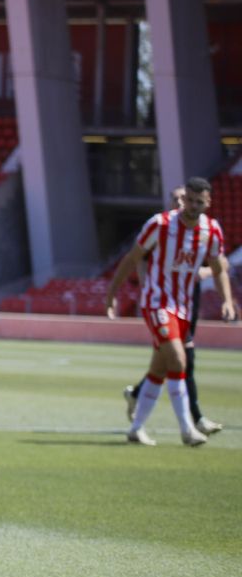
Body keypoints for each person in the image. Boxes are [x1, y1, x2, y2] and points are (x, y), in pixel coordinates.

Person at [106, 175, 236, 446]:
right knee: (178, 359)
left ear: (208, 202)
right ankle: (187, 429)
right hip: (157, 302)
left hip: (184, 307)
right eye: (188, 200)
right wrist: (111, 293)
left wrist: (226, 299)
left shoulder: (211, 231)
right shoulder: (160, 224)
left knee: (160, 368)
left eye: (198, 202)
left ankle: (136, 428)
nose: (191, 206)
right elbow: (132, 258)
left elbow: (218, 267)